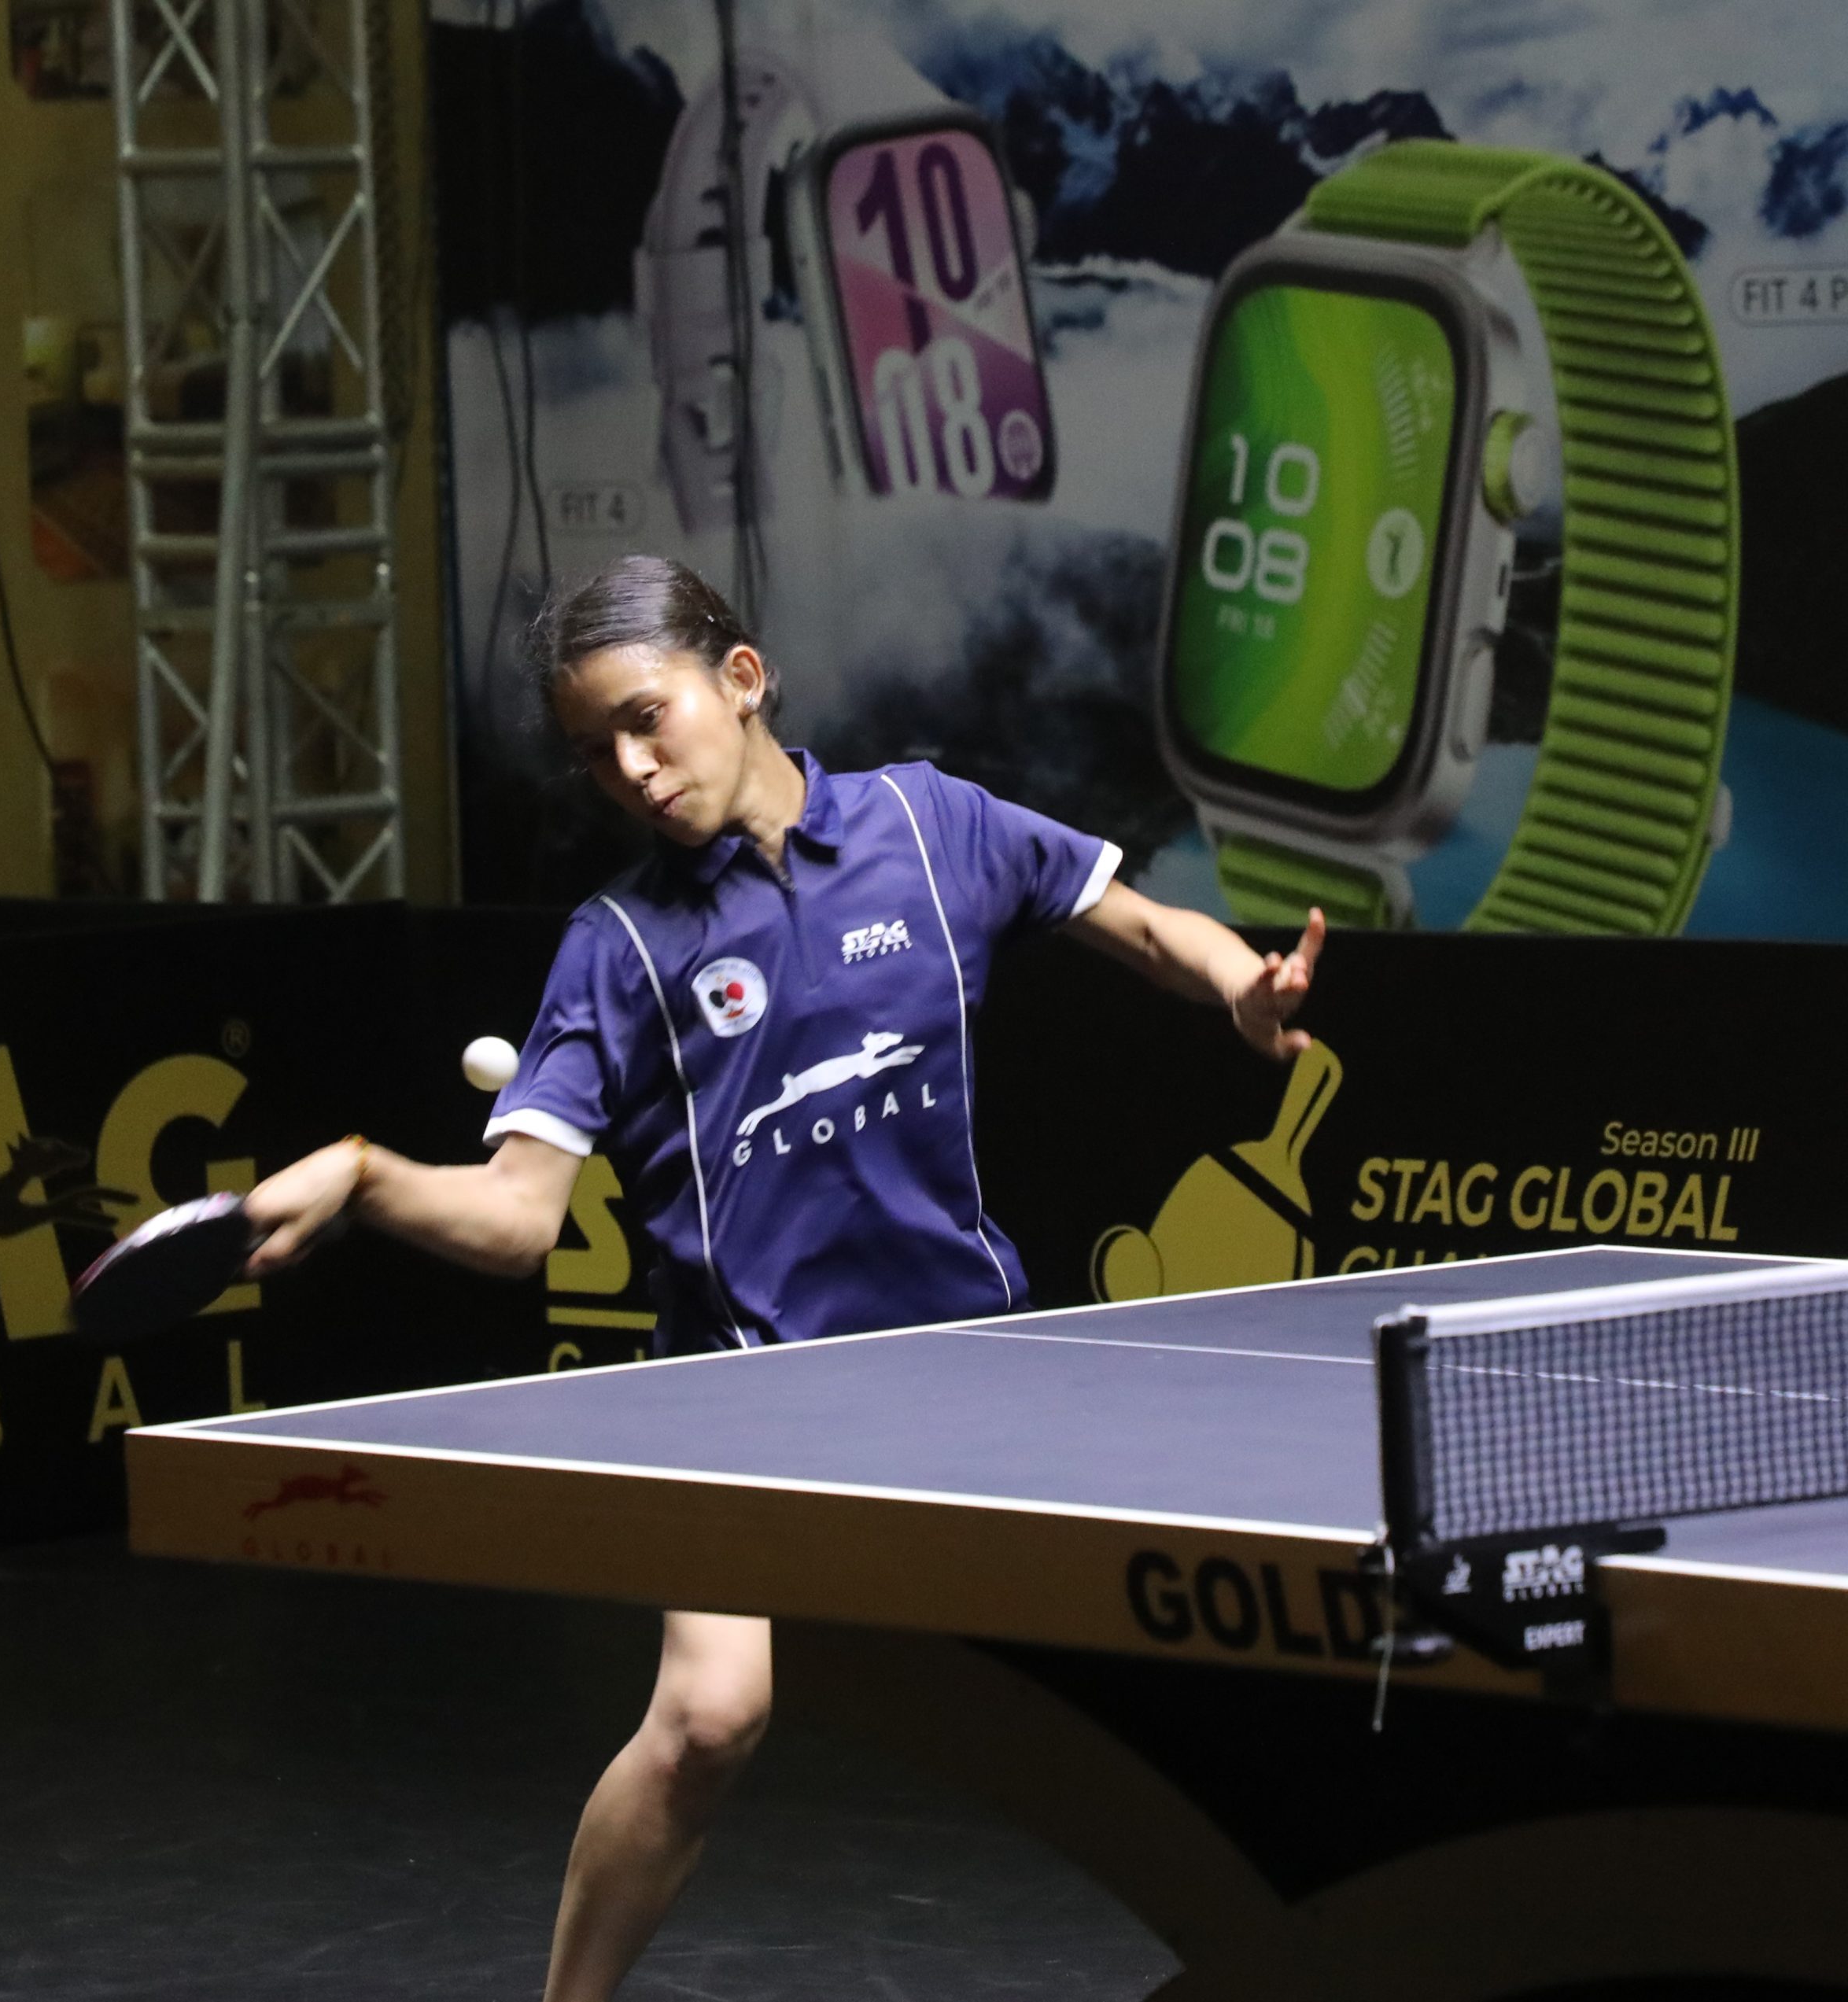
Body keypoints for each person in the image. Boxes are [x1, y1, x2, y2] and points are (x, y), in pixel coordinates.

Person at [243, 555, 1325, 2002]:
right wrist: (367, 1175)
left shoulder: (930, 827)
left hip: (965, 1364)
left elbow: (1136, 919)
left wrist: (1240, 982)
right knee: (709, 1720)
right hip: (740, 1395)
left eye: (646, 718)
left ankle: (1294, 1950)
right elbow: (517, 1217)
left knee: (1159, 1702)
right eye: (594, 752)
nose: (630, 771)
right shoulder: (619, 948)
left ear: (741, 679)